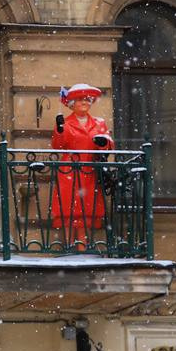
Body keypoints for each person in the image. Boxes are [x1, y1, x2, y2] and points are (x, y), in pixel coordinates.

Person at [50, 83, 113, 249]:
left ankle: (83, 246)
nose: (84, 102)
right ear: (71, 104)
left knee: (88, 210)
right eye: (79, 100)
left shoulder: (99, 123)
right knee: (69, 209)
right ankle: (70, 246)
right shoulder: (66, 122)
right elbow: (58, 146)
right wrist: (60, 129)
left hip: (90, 170)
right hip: (69, 170)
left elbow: (108, 146)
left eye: (87, 99)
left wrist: (102, 143)